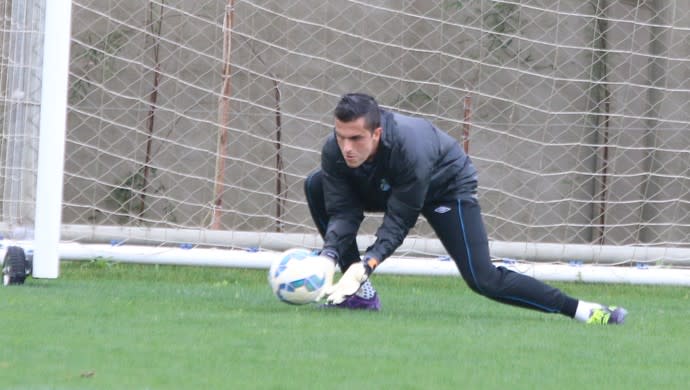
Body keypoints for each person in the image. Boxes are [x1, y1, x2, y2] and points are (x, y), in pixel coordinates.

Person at [304, 92, 627, 324]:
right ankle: (358, 295)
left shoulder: (410, 147)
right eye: (341, 136)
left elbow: (401, 218)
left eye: (356, 138)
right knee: (316, 185)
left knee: (482, 278)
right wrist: (329, 257)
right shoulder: (335, 151)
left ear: (377, 133)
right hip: (388, 183)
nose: (347, 147)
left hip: (445, 189)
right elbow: (344, 212)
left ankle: (584, 310)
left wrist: (369, 262)